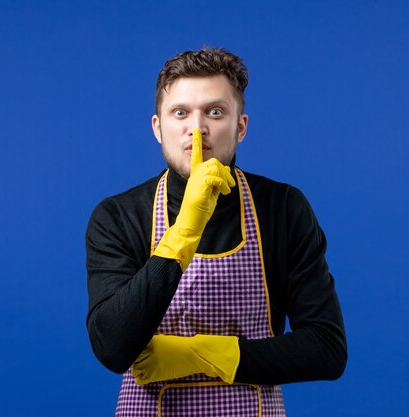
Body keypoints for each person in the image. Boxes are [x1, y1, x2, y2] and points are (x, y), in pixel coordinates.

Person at [86, 47, 346, 416]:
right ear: (158, 128)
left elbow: (327, 349)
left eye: (215, 111)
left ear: (240, 127)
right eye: (180, 113)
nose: (197, 129)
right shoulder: (118, 215)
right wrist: (185, 231)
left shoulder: (282, 207)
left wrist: (201, 354)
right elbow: (112, 347)